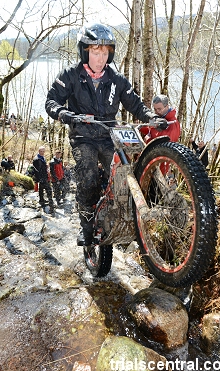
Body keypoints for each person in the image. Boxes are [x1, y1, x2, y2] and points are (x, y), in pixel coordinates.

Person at [45, 23, 165, 248]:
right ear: (85, 51)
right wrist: (65, 114)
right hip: (82, 136)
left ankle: (121, 219)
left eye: (104, 53)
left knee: (126, 174)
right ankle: (87, 226)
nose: (100, 58)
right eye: (94, 52)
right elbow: (51, 101)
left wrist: (151, 117)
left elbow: (135, 104)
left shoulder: (117, 79)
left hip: (110, 135)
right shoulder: (70, 75)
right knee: (88, 176)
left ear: (110, 54)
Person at [33, 146, 54, 213]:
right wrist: (39, 179)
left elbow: (43, 167)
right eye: (41, 151)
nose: (42, 152)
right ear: (39, 151)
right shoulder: (37, 159)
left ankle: (41, 201)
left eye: (43, 151)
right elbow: (36, 170)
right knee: (49, 191)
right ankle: (51, 207)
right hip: (42, 178)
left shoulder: (42, 158)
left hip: (45, 176)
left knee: (41, 190)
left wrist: (46, 166)